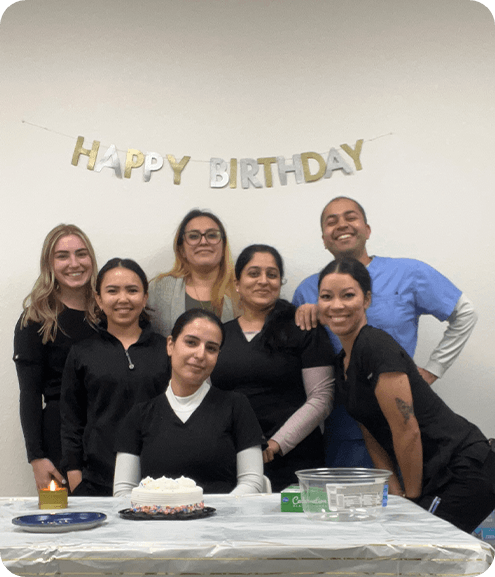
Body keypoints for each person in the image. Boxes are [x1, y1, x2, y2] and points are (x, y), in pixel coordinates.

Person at [293, 196, 477, 467]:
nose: (342, 225)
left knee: (407, 502)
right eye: (331, 222)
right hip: (345, 429)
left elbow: (465, 313)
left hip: (403, 423)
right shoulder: (308, 291)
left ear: (367, 230)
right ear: (323, 238)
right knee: (346, 507)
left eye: (350, 217)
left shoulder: (408, 272)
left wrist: (432, 369)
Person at [317, 256, 494, 534]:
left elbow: (406, 429)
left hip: (463, 467)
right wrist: (395, 491)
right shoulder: (343, 363)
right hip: (434, 475)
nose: (336, 305)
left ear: (366, 300)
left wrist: (411, 500)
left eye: (348, 295)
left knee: (421, 549)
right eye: (327, 296)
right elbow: (369, 429)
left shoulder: (375, 346)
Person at [210, 245, 335, 492]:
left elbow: (322, 398)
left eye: (272, 274)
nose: (263, 281)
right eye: (254, 273)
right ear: (237, 283)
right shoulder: (219, 334)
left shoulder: (304, 328)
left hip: (295, 459)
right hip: (232, 459)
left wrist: (276, 443)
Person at [114, 308, 264, 496]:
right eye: (191, 343)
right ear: (170, 345)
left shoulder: (236, 407)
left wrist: (213, 512)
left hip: (221, 521)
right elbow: (123, 491)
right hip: (155, 522)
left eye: (211, 348)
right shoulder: (140, 415)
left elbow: (252, 482)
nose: (200, 355)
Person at [60, 258, 170, 496]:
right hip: (97, 479)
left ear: (145, 297)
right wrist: (74, 473)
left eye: (132, 290)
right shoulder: (82, 352)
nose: (123, 299)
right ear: (99, 298)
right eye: (112, 291)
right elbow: (71, 420)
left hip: (159, 480)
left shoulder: (167, 350)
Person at [13, 224, 98, 491]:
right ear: (49, 263)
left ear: (91, 260)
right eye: (62, 256)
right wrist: (36, 457)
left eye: (81, 254)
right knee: (61, 523)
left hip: (106, 434)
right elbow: (29, 393)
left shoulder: (108, 314)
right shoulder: (36, 319)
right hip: (57, 442)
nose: (74, 263)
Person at [147, 209, 238, 336]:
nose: (204, 242)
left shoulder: (242, 290)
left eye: (212, 235)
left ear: (223, 246)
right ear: (182, 249)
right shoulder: (159, 289)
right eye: (194, 236)